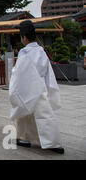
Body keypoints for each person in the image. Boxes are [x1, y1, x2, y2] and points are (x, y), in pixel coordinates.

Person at [9, 20, 64, 154]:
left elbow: (18, 73)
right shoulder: (41, 51)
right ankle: (51, 141)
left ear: (24, 37)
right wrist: (48, 88)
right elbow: (48, 73)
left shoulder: (24, 53)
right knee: (44, 115)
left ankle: (24, 138)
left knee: (24, 114)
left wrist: (14, 90)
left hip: (28, 88)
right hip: (40, 88)